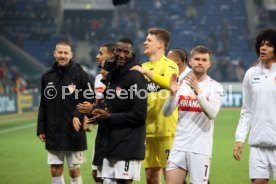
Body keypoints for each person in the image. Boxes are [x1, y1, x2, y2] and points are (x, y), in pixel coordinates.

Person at [90, 38, 148, 184]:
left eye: (126, 52)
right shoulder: (113, 75)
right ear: (114, 52)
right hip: (111, 141)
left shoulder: (136, 77)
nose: (122, 55)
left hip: (128, 143)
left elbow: (139, 115)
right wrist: (94, 111)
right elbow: (108, 104)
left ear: (131, 54)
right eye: (119, 51)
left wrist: (109, 117)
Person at [163, 45, 223, 184]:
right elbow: (166, 113)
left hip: (200, 149)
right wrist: (172, 94)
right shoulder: (181, 85)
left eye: (204, 59)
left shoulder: (215, 87)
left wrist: (198, 92)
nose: (200, 62)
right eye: (197, 59)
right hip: (179, 146)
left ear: (209, 64)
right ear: (190, 61)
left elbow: (212, 113)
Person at [37, 41, 94, 184]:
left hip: (73, 131)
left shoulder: (81, 75)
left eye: (65, 53)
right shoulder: (47, 76)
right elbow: (43, 104)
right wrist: (40, 128)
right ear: (55, 54)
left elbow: (90, 99)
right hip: (53, 131)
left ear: (71, 55)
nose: (62, 56)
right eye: (60, 52)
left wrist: (78, 114)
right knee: (55, 169)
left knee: (74, 169)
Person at [131, 28, 179, 184]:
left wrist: (146, 73)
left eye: (149, 40)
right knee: (151, 176)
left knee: (170, 176)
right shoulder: (142, 66)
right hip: (147, 129)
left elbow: (169, 83)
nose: (145, 42)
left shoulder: (170, 65)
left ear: (160, 44)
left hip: (166, 129)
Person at [233, 28, 276, 184]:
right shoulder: (251, 74)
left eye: (269, 45)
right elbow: (247, 110)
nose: (263, 48)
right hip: (257, 144)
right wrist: (240, 138)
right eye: (262, 44)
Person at [78, 43, 115, 184]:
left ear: (111, 56)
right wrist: (88, 116)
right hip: (102, 131)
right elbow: (97, 100)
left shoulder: (121, 78)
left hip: (116, 133)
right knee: (96, 174)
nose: (97, 56)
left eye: (101, 53)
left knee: (112, 177)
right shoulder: (99, 77)